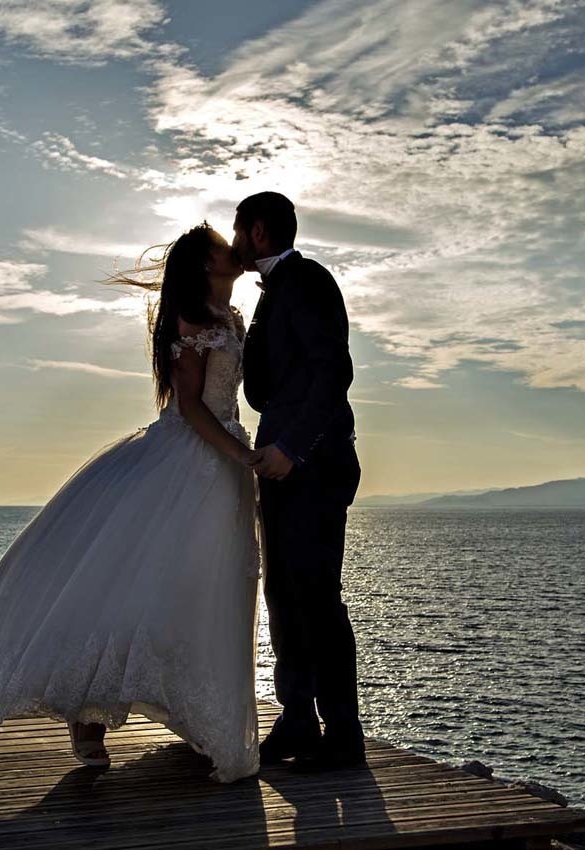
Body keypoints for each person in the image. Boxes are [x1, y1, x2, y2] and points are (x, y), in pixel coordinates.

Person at [0, 222, 263, 783]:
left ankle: (199, 713)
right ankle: (84, 718)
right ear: (204, 266)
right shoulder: (195, 322)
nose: (232, 252)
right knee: (123, 591)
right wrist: (240, 456)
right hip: (189, 461)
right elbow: (189, 406)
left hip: (222, 466)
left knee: (198, 593)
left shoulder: (231, 318)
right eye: (221, 248)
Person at [234, 191, 367, 772]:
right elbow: (264, 390)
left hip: (315, 467)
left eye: (240, 231)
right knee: (283, 596)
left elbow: (333, 373)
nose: (235, 242)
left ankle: (343, 734)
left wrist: (293, 448)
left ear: (258, 232)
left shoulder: (310, 280)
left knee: (317, 599)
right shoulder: (269, 295)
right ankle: (297, 719)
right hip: (280, 466)